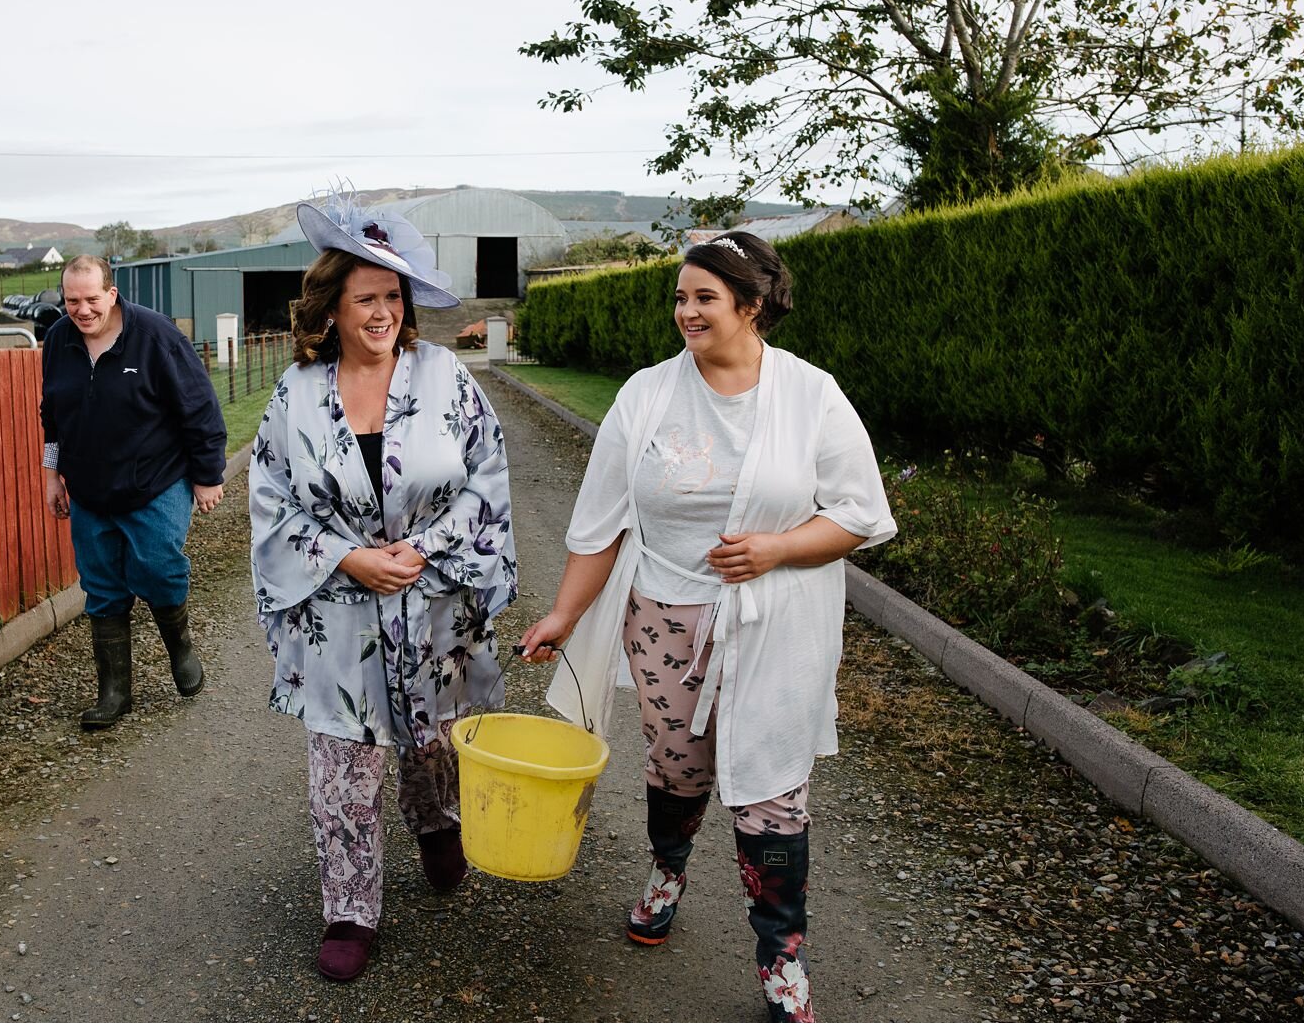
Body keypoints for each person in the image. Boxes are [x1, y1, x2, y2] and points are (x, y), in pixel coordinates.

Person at [518, 232, 894, 1022]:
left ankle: (781, 954)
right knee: (677, 769)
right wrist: (563, 612)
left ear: (750, 305)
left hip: (776, 625)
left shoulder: (810, 394)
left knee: (772, 795)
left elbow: (860, 512)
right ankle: (667, 868)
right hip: (662, 618)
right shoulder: (646, 394)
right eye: (680, 297)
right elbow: (601, 521)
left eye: (704, 298)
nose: (686, 311)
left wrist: (778, 547)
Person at [248, 196, 516, 983]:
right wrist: (345, 557)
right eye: (365, 297)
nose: (382, 312)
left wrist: (423, 548)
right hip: (336, 609)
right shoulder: (297, 394)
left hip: (431, 597)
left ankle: (435, 822)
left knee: (431, 735)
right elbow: (272, 499)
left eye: (393, 297)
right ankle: (349, 906)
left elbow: (487, 479)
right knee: (343, 756)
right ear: (329, 307)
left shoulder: (444, 377)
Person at [40, 254, 227, 729]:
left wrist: (208, 475)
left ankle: (179, 646)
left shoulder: (153, 335)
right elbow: (52, 414)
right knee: (100, 584)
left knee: (159, 567)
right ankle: (115, 692)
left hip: (155, 481)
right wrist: (51, 474)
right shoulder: (59, 339)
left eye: (91, 299)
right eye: (72, 300)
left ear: (112, 294)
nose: (81, 310)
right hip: (90, 488)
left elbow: (199, 405)